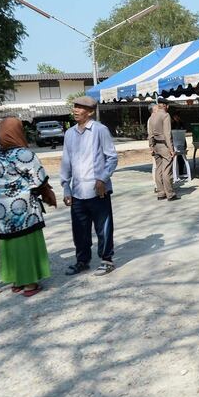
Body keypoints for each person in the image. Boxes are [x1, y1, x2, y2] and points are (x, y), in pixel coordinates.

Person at [0, 117, 57, 297]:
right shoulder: (25, 154)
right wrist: (48, 195)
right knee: (26, 241)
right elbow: (39, 179)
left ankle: (17, 280)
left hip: (2, 208)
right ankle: (30, 284)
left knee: (10, 241)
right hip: (23, 207)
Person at [60, 96, 119, 277]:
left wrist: (102, 179)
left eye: (80, 108)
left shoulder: (100, 130)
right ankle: (82, 261)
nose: (76, 110)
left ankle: (107, 260)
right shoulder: (70, 134)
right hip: (77, 190)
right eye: (75, 107)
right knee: (80, 229)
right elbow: (66, 162)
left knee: (103, 227)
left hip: (98, 190)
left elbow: (112, 157)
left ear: (90, 112)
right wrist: (66, 187)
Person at [148, 97, 179, 201]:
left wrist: (151, 146)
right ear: (166, 106)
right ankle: (170, 194)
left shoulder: (152, 116)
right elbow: (167, 133)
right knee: (167, 170)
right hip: (164, 145)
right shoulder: (165, 115)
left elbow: (150, 134)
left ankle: (161, 193)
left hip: (155, 145)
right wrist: (171, 149)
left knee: (158, 169)